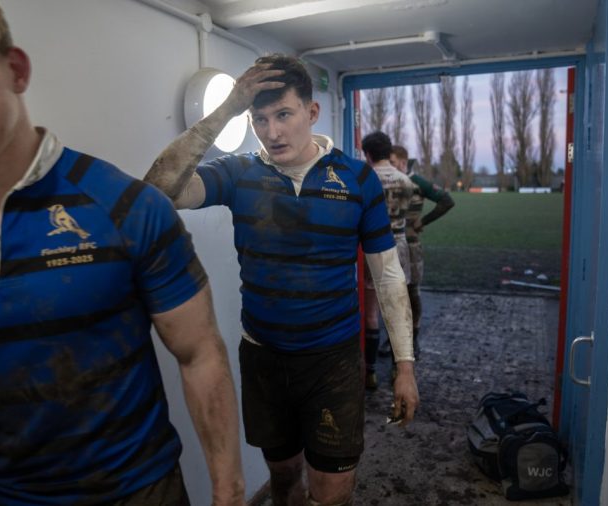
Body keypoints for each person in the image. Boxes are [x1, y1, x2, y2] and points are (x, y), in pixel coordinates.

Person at [0, 1, 244, 504]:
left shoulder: (126, 207)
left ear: (15, 70)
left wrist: (229, 491)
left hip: (139, 491)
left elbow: (200, 352)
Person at [144, 54, 419, 506]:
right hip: (265, 360)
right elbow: (158, 191)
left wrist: (405, 367)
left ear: (311, 113)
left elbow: (387, 276)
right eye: (260, 119)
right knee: (285, 480)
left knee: (331, 494)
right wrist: (227, 108)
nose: (272, 132)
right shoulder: (239, 173)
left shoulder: (355, 178)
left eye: (284, 115)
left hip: (334, 361)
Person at [380, 145, 455, 360]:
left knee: (412, 291)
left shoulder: (418, 182)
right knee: (392, 293)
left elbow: (447, 201)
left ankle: (413, 339)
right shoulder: (385, 181)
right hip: (389, 244)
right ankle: (393, 339)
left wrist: (423, 221)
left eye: (393, 163)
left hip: (411, 245)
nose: (390, 167)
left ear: (403, 163)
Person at [360, 132, 415, 389]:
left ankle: (369, 372)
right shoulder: (405, 180)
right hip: (400, 246)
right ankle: (397, 369)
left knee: (371, 312)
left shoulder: (367, 179)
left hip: (374, 247)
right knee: (397, 309)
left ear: (368, 154)